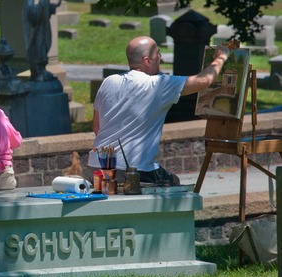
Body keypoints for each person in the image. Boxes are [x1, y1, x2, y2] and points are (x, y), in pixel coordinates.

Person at [88, 36, 230, 185]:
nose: (160, 57)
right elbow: (203, 80)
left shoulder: (109, 81)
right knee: (174, 183)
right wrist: (221, 57)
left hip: (96, 167)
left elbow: (97, 127)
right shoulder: (158, 85)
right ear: (147, 60)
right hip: (135, 171)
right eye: (158, 53)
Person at [22, 0, 61, 81]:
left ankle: (42, 70)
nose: (47, 0)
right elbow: (29, 19)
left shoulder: (46, 7)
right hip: (39, 33)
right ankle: (38, 71)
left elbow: (56, 5)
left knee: (45, 47)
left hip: (46, 31)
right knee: (40, 50)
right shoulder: (35, 9)